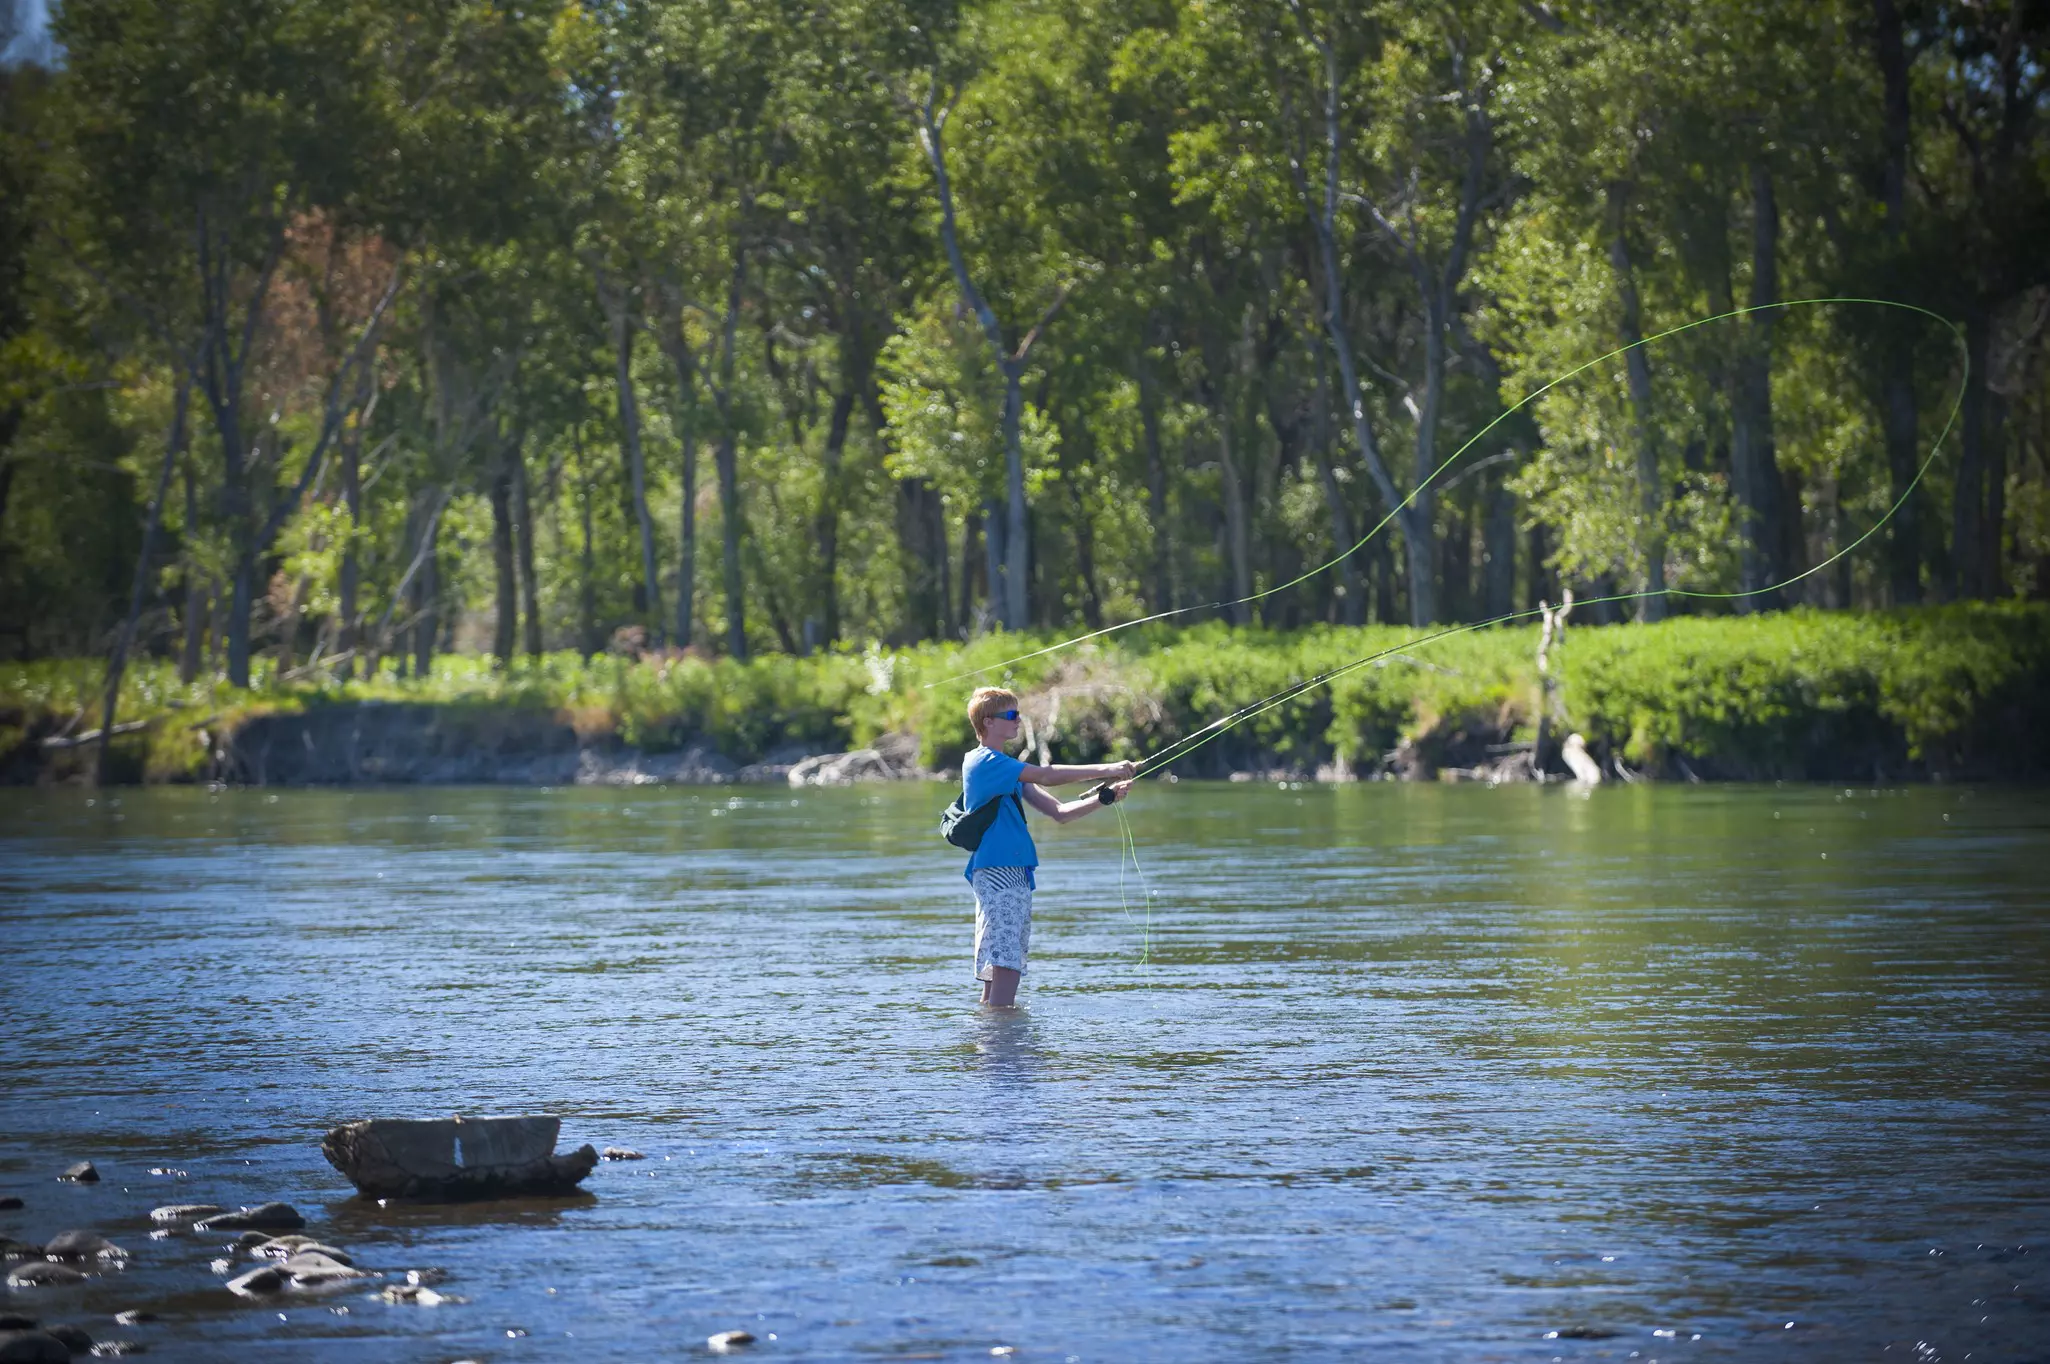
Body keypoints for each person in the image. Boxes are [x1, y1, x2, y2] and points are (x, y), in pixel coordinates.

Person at [960, 686, 1137, 1008]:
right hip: (999, 869)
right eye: (1011, 715)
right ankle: (1003, 1045)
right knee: (1006, 958)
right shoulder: (985, 762)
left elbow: (1059, 813)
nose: (1018, 720)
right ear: (988, 723)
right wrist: (1107, 768)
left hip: (1013, 870)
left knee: (1004, 956)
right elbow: (1047, 774)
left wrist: (1105, 797)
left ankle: (996, 1038)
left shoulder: (1005, 767)